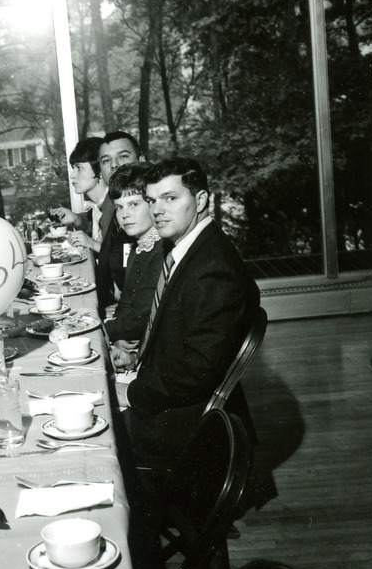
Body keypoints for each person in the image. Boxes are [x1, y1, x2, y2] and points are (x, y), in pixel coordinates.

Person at [114, 157, 260, 470]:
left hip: (188, 425)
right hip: (172, 396)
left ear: (202, 199)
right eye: (152, 200)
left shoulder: (214, 268)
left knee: (90, 436)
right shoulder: (184, 248)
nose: (157, 210)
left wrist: (131, 393)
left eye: (171, 198)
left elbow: (197, 371)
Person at [102, 163, 164, 344]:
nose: (124, 215)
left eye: (133, 204)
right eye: (119, 207)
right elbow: (126, 304)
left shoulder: (161, 252)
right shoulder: (139, 247)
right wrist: (117, 340)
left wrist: (101, 333)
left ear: (152, 203)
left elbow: (141, 319)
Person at [94, 132, 144, 311]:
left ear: (141, 159)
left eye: (122, 156)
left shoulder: (150, 208)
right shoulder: (111, 204)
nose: (114, 164)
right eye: (106, 160)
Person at [49, 137, 107, 249]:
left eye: (79, 168)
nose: (72, 176)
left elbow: (125, 257)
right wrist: (75, 218)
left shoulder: (117, 206)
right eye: (73, 168)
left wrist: (93, 244)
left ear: (99, 170)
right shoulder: (98, 206)